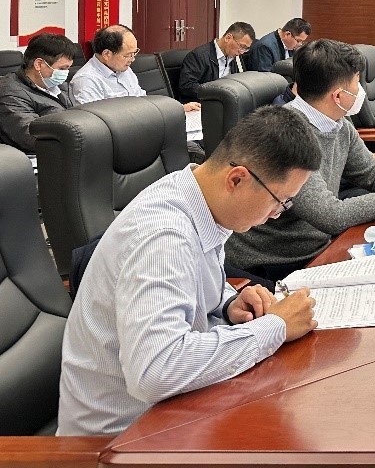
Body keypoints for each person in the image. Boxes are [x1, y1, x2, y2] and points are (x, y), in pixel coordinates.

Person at [57, 107, 323, 436]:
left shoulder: (197, 196)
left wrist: (228, 303)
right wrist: (275, 327)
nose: (276, 214)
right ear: (237, 179)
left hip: (173, 410)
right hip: (121, 437)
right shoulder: (163, 236)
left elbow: (187, 281)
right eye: (280, 201)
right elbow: (155, 371)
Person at [225, 39, 375, 282]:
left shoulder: (339, 124)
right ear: (338, 95)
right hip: (275, 262)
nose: (360, 91)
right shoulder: (286, 135)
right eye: (357, 83)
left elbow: (373, 173)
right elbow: (332, 216)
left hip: (319, 246)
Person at [70, 24, 200, 112]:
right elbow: (95, 124)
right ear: (107, 54)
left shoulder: (123, 69)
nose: (132, 59)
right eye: (128, 55)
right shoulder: (86, 81)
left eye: (134, 53)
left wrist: (177, 109)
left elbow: (143, 101)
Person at [0, 33, 77, 153]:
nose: (66, 73)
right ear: (39, 64)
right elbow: (31, 137)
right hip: (41, 157)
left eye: (68, 68)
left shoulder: (57, 84)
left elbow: (78, 114)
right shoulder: (11, 93)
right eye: (62, 68)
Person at [177, 22, 256, 104]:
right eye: (242, 46)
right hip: (203, 104)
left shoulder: (233, 57)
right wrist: (217, 93)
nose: (242, 52)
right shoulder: (199, 56)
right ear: (228, 38)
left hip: (226, 103)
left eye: (246, 49)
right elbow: (187, 86)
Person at [245, 18, 312, 72]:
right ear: (287, 34)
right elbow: (265, 78)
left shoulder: (291, 46)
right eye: (298, 41)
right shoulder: (265, 47)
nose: (299, 44)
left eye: (302, 42)